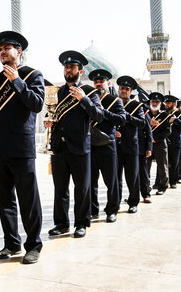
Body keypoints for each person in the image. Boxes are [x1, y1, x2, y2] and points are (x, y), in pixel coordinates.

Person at [0, 31, 44, 264]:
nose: (2, 51)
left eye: (7, 48)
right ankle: (11, 243)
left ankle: (34, 245)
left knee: (28, 199)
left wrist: (17, 82)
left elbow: (37, 104)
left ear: (18, 52)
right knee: (5, 200)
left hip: (21, 148)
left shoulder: (32, 75)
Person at [47, 51, 103, 238]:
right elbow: (53, 114)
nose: (68, 70)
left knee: (82, 189)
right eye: (66, 67)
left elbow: (99, 115)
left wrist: (83, 100)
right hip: (60, 148)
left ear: (80, 70)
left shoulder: (90, 92)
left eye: (72, 67)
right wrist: (50, 121)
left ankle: (81, 223)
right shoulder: (58, 92)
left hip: (80, 147)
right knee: (60, 189)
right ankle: (61, 224)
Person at [88, 69, 126, 223]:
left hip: (107, 145)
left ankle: (112, 210)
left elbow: (122, 119)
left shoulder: (115, 101)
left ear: (108, 83)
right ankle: (92, 209)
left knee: (111, 180)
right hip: (90, 145)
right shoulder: (87, 99)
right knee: (90, 181)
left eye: (101, 81)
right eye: (96, 82)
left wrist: (103, 113)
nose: (98, 84)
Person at [115, 76, 146, 213]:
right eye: (122, 88)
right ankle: (115, 203)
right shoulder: (113, 103)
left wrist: (126, 116)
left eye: (127, 89)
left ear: (130, 91)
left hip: (131, 147)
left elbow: (141, 123)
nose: (124, 91)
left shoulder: (136, 106)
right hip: (115, 146)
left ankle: (133, 202)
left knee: (132, 177)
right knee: (116, 178)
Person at [146, 92, 171, 195]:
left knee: (162, 166)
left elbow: (167, 131)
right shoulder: (146, 113)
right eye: (153, 101)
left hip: (159, 143)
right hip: (147, 144)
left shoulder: (164, 115)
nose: (154, 103)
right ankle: (146, 187)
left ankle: (163, 186)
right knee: (145, 167)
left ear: (160, 104)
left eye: (157, 102)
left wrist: (155, 139)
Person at [163, 95, 181, 189]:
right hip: (165, 140)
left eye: (168, 103)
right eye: (166, 103)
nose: (166, 104)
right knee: (164, 163)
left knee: (174, 163)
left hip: (176, 141)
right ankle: (163, 181)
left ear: (173, 104)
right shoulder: (164, 113)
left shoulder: (180, 114)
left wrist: (176, 120)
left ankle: (173, 181)